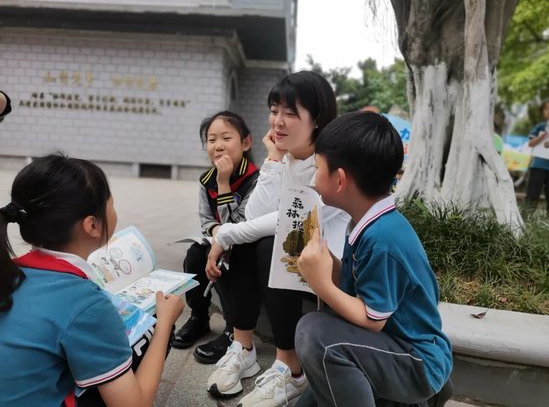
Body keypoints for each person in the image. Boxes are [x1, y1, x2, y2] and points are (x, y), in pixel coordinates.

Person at [204, 71, 350, 407]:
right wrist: (273, 159)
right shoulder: (287, 157)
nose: (277, 122)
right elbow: (254, 216)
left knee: (270, 244)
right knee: (249, 239)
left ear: (317, 119)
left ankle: (291, 369)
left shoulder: (328, 164)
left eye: (290, 113)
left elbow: (287, 223)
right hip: (298, 261)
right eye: (274, 111)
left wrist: (224, 235)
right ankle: (243, 347)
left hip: (331, 269)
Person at [294, 111, 453, 407]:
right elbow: (355, 282)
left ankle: (415, 399)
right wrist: (325, 263)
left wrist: (321, 284)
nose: (314, 178)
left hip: (416, 363)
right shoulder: (366, 222)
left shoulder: (382, 239)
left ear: (339, 180)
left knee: (315, 335)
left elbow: (371, 317)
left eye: (317, 168)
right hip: (390, 348)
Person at [0, 154, 184, 406]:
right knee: (151, 328)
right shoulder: (86, 303)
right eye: (111, 203)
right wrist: (165, 323)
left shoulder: (9, 271)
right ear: (92, 226)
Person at [172, 111, 259, 365]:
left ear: (246, 142)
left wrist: (223, 184)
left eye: (226, 138)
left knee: (233, 262)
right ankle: (199, 317)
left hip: (246, 245)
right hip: (219, 240)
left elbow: (238, 224)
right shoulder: (205, 180)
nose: (218, 145)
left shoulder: (255, 180)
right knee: (194, 255)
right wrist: (216, 237)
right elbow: (207, 220)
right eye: (211, 140)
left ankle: (233, 330)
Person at [524, 99, 549, 216]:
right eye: (546, 109)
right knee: (532, 194)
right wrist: (542, 137)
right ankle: (526, 218)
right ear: (543, 111)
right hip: (538, 166)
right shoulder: (540, 126)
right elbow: (530, 143)